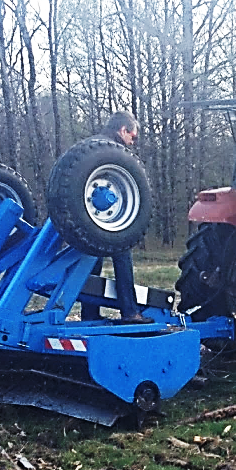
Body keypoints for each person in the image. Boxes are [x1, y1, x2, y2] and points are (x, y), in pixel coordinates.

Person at [83, 111, 152, 324]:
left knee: (91, 262)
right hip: (107, 220)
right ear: (123, 130)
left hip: (85, 221)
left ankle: (90, 313)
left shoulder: (88, 146)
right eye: (133, 136)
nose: (133, 141)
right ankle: (130, 312)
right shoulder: (114, 152)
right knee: (122, 255)